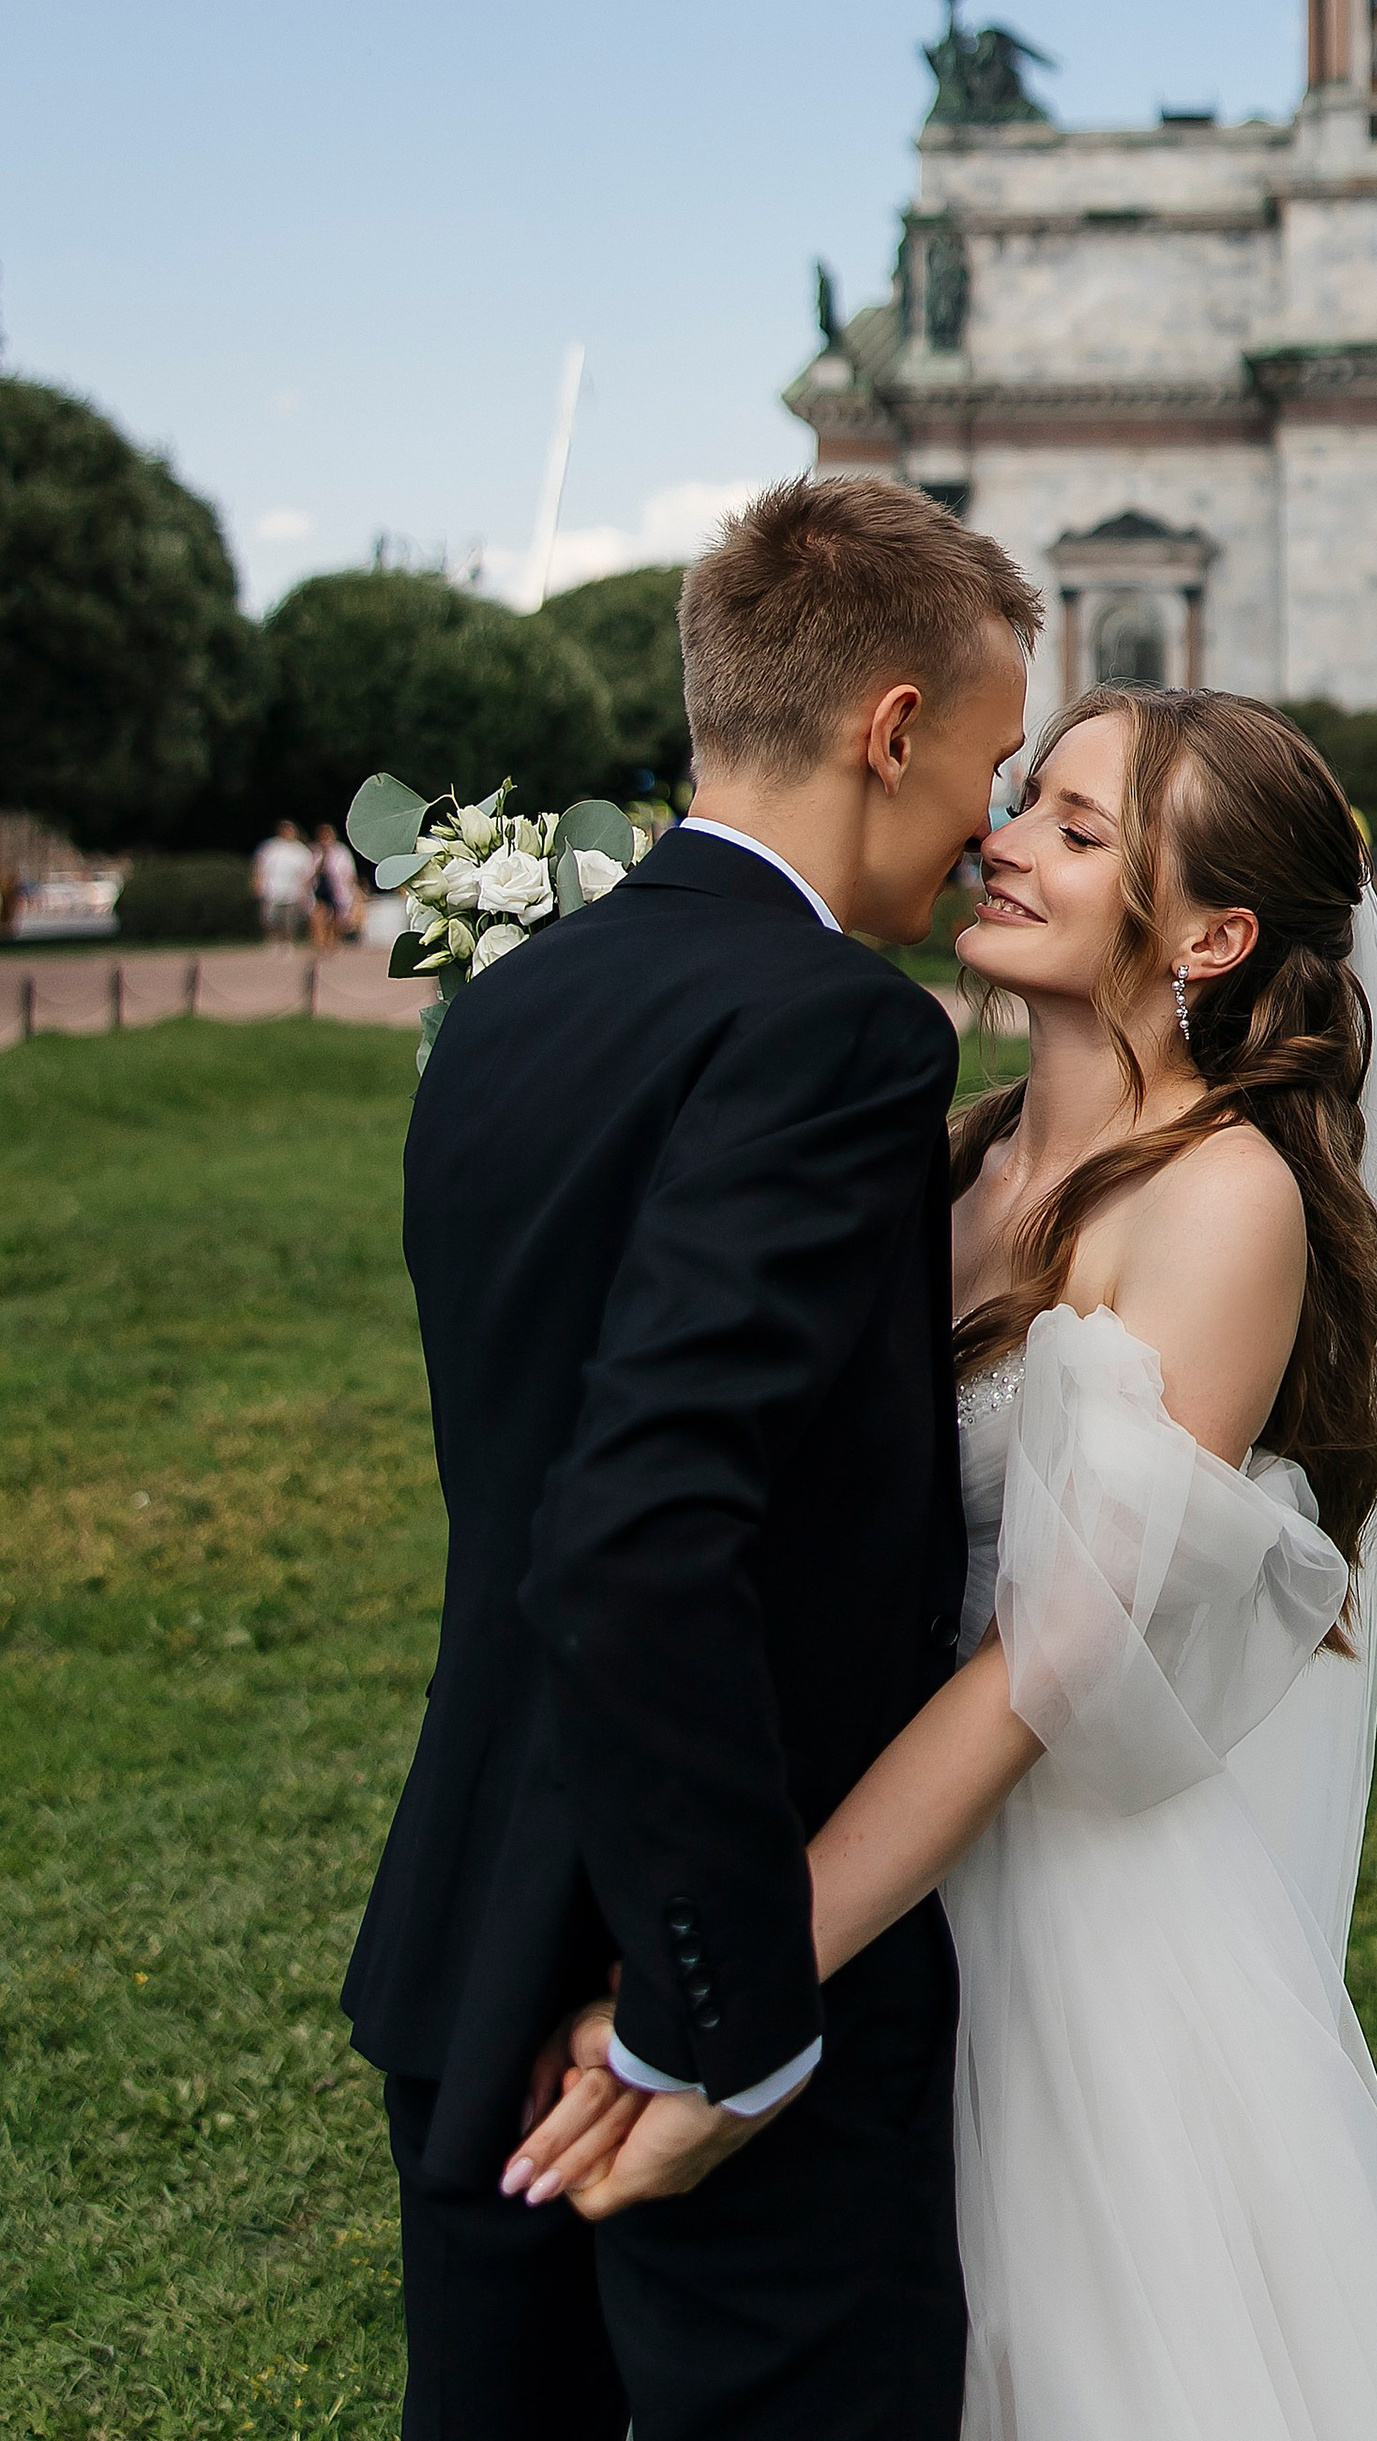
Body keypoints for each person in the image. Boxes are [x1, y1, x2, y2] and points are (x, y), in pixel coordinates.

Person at [509, 686, 1377, 2441]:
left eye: (1077, 826)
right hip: (884, 1845)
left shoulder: (1223, 1203)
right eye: (1024, 799)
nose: (1004, 836)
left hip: (1062, 1912)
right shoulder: (950, 1150)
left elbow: (1040, 1671)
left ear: (1212, 931)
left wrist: (733, 1984)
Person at [341, 475, 1039, 2441]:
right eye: (989, 764)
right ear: (889, 728)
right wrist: (719, 2023)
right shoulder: (834, 1029)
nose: (987, 825)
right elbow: (641, 1529)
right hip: (690, 1970)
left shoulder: (508, 1007)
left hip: (475, 1941)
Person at [254, 819, 314, 940]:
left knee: (290, 920)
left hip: (292, 891)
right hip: (272, 889)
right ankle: (274, 940)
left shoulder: (301, 850)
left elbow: (306, 872)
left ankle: (288, 943)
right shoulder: (270, 847)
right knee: (269, 919)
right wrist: (257, 882)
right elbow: (260, 865)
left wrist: (305, 890)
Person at [309, 821, 360, 950]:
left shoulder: (341, 851)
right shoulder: (316, 851)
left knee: (336, 915)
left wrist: (352, 889)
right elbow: (311, 871)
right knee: (319, 914)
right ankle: (319, 942)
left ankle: (333, 941)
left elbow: (349, 872)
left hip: (336, 887)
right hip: (320, 886)